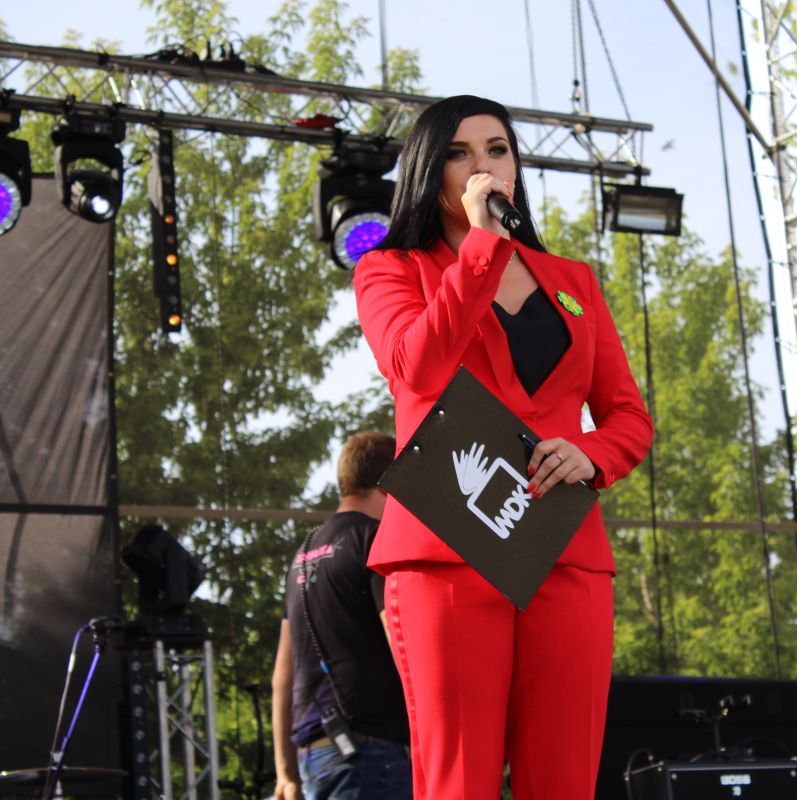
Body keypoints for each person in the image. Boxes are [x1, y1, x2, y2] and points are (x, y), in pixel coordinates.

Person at [352, 95, 653, 800]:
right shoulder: (389, 268)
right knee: (459, 781)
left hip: (562, 548)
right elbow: (416, 367)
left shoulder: (574, 282)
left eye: (497, 149)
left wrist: (590, 453)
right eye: (458, 153)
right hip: (447, 552)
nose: (482, 166)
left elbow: (628, 417)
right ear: (429, 171)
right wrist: (480, 251)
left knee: (565, 781)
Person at [272, 431, 412, 800]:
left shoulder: (301, 556)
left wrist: (285, 774)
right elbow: (399, 637)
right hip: (371, 750)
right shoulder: (375, 540)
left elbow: (282, 676)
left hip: (314, 754)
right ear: (388, 482)